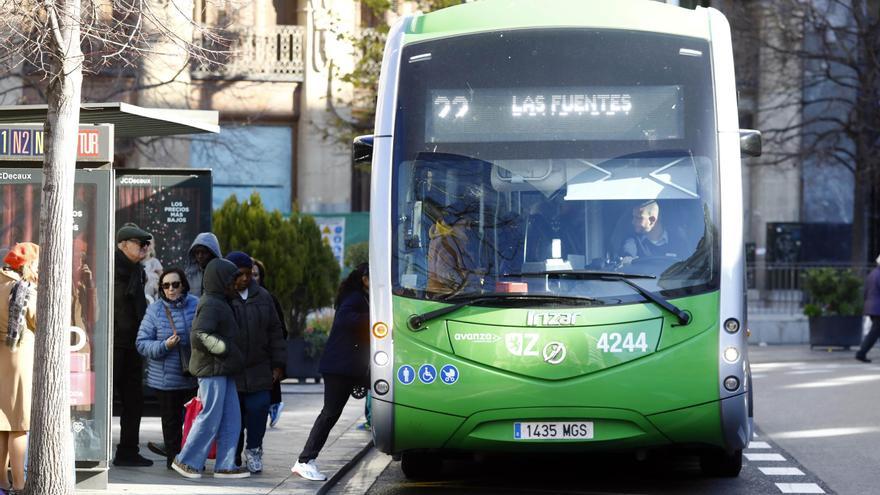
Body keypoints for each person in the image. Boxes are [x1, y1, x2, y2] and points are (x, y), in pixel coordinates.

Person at [172, 258, 250, 479]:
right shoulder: (212, 303)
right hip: (212, 369)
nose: (236, 283)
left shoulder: (220, 301)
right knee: (211, 416)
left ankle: (225, 466)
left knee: (231, 417)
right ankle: (186, 461)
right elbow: (199, 334)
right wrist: (225, 348)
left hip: (222, 369)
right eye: (232, 279)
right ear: (221, 280)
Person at [291, 263, 370, 482]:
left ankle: (306, 460)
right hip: (340, 368)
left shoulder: (360, 297)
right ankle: (304, 461)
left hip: (348, 367)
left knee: (332, 413)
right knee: (329, 413)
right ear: (365, 279)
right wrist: (376, 320)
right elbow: (346, 320)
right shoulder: (355, 297)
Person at [225, 252, 286, 473]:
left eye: (249, 274)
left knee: (258, 411)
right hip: (232, 371)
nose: (245, 278)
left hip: (260, 368)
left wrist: (278, 365)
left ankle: (254, 451)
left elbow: (276, 332)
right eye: (240, 274)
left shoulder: (263, 296)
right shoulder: (223, 297)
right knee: (235, 417)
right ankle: (233, 454)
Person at [135, 268, 198, 469]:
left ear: (183, 285)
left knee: (193, 422)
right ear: (161, 288)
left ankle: (192, 459)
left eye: (175, 284)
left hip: (192, 375)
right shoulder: (154, 310)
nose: (171, 289)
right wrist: (164, 346)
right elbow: (142, 343)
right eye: (166, 285)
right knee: (170, 424)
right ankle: (174, 460)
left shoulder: (196, 305)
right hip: (164, 379)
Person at [113, 223, 153, 466]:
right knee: (105, 400)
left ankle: (128, 451)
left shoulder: (138, 270)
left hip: (131, 344)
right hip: (113, 344)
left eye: (146, 244)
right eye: (140, 243)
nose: (144, 248)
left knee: (134, 400)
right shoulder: (111, 266)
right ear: (123, 245)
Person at [0, 243, 39, 493]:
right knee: (18, 424)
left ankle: (2, 482)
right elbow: (36, 320)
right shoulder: (24, 289)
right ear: (27, 265)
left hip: (1, 354)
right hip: (19, 355)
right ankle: (20, 484)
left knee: (2, 423)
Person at [252, 258, 289, 428]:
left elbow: (280, 330)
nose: (250, 278)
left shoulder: (268, 298)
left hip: (265, 353)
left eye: (255, 275)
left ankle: (274, 405)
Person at [621, 200, 687, 262]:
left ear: (652, 220)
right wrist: (628, 258)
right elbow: (628, 254)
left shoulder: (677, 240)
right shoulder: (633, 239)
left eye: (638, 218)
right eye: (633, 217)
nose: (633, 222)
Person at [856, 254, 880, 362]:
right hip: (877, 308)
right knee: (874, 332)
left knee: (874, 331)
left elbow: (865, 292)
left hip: (871, 307)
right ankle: (861, 353)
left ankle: (862, 352)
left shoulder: (872, 274)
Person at [185, 232, 223, 297]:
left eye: (204, 252)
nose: (200, 256)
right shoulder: (189, 275)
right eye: (197, 252)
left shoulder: (222, 274)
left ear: (213, 253)